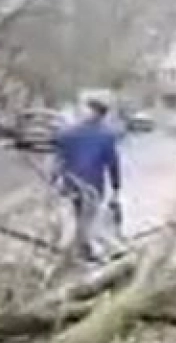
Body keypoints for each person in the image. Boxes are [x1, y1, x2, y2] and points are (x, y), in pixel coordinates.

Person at [52, 99, 123, 262]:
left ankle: (82, 251)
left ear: (94, 112)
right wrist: (116, 186)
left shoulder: (70, 132)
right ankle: (86, 251)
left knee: (78, 219)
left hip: (72, 183)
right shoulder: (106, 135)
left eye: (87, 110)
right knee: (87, 219)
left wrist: (55, 178)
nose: (83, 112)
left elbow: (59, 158)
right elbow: (113, 163)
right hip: (92, 186)